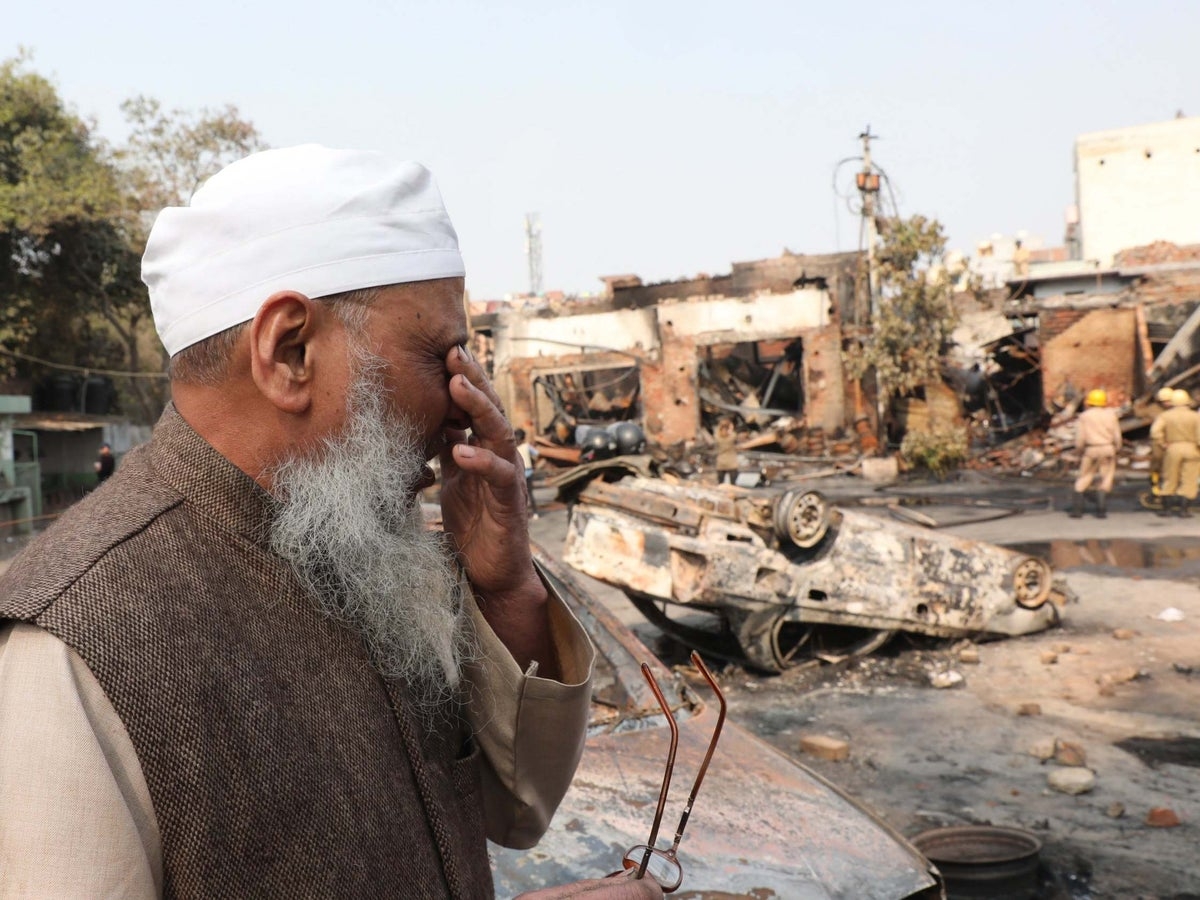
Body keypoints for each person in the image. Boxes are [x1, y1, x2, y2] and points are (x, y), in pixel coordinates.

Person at [0, 146, 661, 899]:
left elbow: (518, 811)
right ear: (290, 353)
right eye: (440, 356)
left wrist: (506, 592)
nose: (465, 402)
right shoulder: (73, 645)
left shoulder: (367, 548)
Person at [1068, 388, 1121, 519]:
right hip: (1108, 448)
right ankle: (1101, 511)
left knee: (1085, 476)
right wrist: (1117, 448)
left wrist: (1079, 450)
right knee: (1106, 477)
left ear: (1089, 402)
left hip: (1091, 449)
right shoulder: (1111, 415)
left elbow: (1080, 438)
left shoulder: (1084, 417)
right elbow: (1117, 436)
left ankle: (1077, 511)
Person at [1150, 389, 1200, 517]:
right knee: (1189, 480)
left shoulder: (1165, 416)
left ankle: (1167, 510)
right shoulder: (1195, 416)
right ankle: (1184, 511)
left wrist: (1162, 443)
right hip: (1192, 449)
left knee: (1170, 478)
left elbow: (1155, 432)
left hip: (1173, 448)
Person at [514, 427, 539, 519]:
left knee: (523, 494)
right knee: (528, 494)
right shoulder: (526, 446)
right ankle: (534, 512)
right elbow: (536, 453)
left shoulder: (515, 448)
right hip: (527, 472)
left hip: (521, 473)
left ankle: (527, 513)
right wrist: (533, 461)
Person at [713, 418, 739, 485]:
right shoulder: (732, 437)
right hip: (731, 462)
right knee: (733, 483)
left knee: (720, 483)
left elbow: (716, 434)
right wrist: (730, 427)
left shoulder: (717, 437)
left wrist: (720, 427)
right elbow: (734, 433)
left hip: (721, 462)